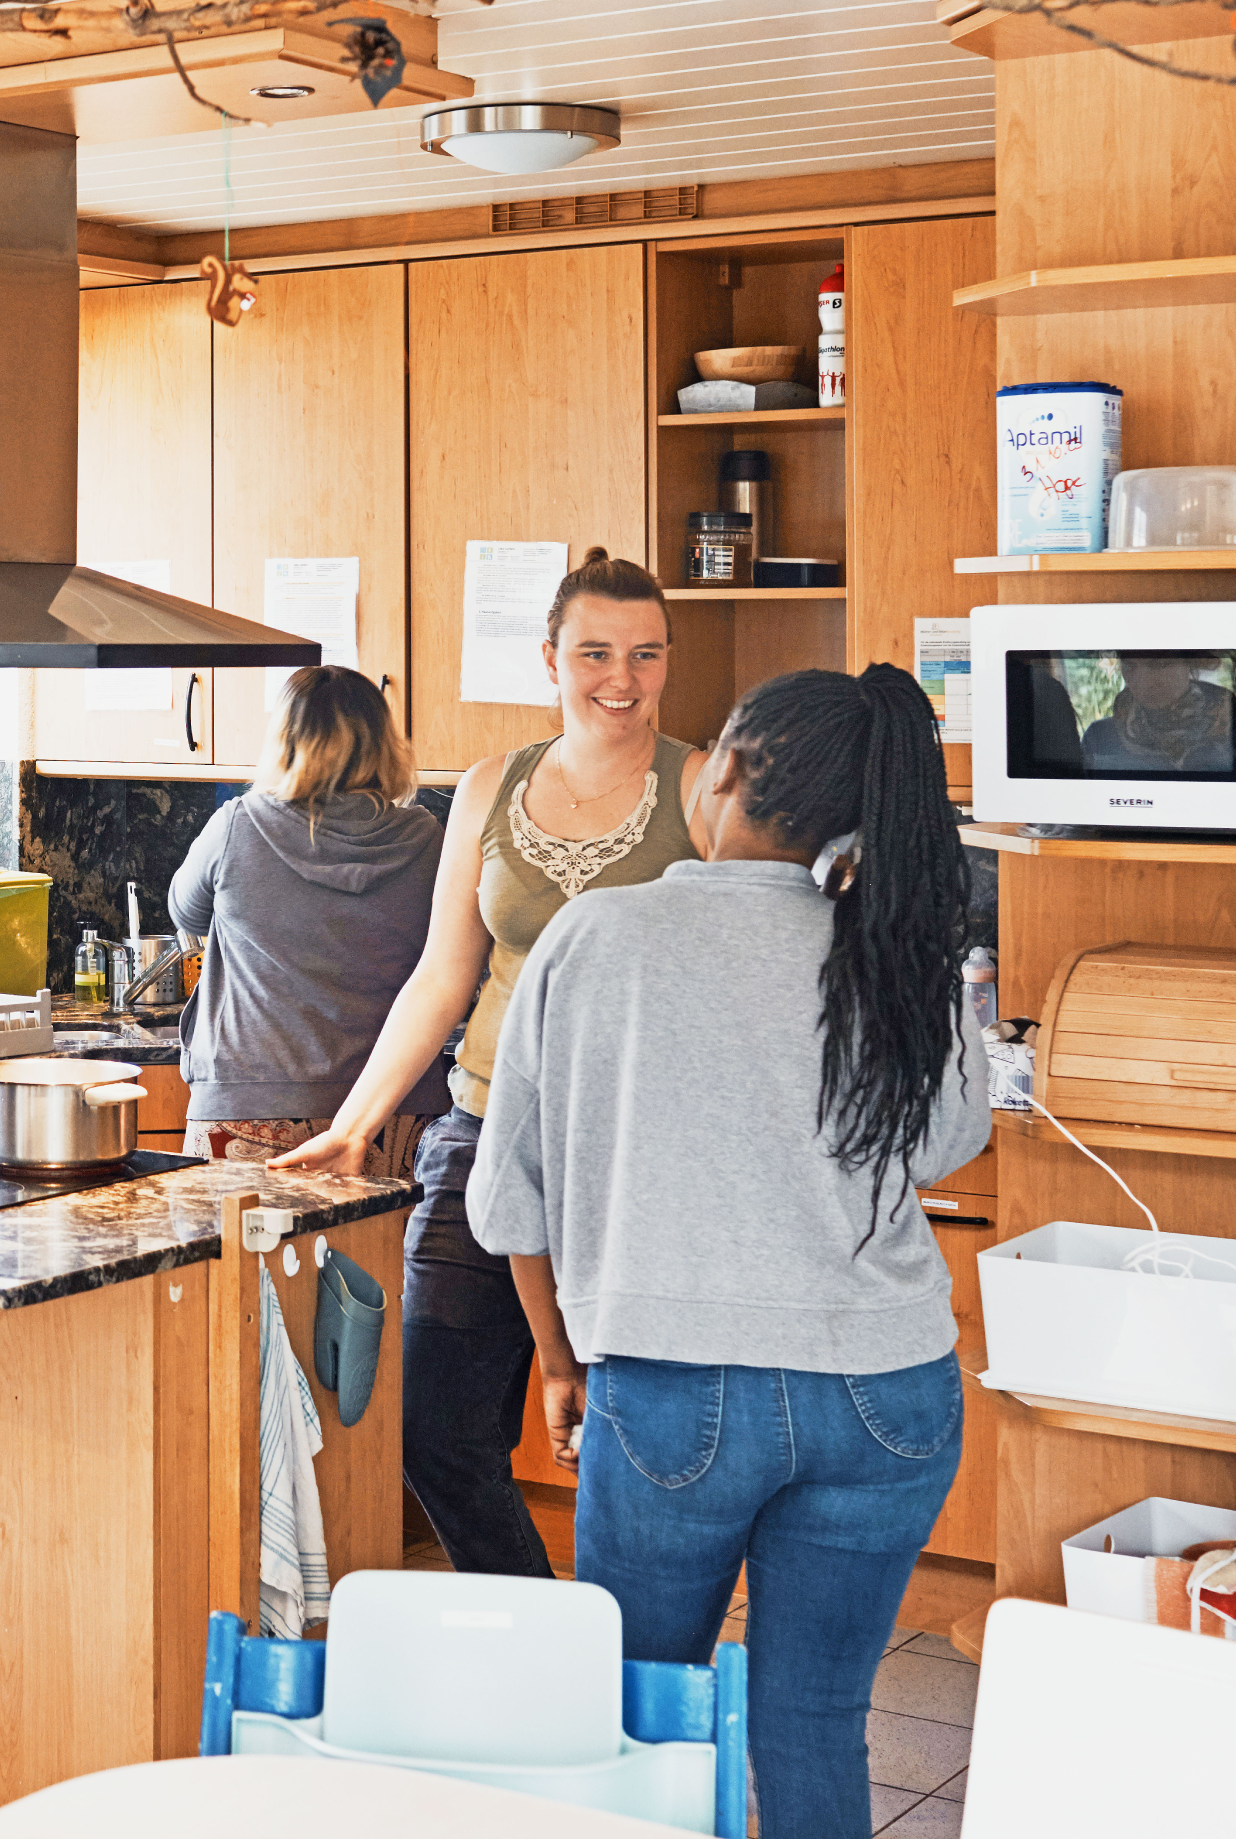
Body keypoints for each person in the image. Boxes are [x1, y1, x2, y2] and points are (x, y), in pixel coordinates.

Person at [467, 663, 988, 1839]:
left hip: (671, 1383)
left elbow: (510, 1199)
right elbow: (948, 1141)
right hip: (888, 1396)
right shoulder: (897, 956)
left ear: (727, 773)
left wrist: (556, 1361)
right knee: (814, 1719)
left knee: (643, 1720)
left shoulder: (599, 935)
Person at [271, 549, 707, 1578]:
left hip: (633, 1157)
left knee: (629, 1437)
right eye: (595, 652)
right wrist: (356, 1122)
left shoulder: (702, 786)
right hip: (479, 1135)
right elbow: (441, 974)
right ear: (548, 658)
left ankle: (624, 1661)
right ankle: (548, 1632)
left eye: (645, 655)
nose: (621, 679)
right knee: (435, 1431)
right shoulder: (488, 788)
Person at [168, 665, 446, 1171]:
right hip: (394, 1107)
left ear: (283, 741)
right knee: (375, 1251)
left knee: (239, 1252)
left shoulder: (239, 824)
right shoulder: (428, 838)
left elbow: (186, 911)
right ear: (385, 744)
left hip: (250, 1105)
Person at [1078, 652, 1235, 772]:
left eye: (1159, 665)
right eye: (1129, 666)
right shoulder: (1100, 736)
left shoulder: (1230, 725)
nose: (1143, 679)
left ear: (1190, 664)